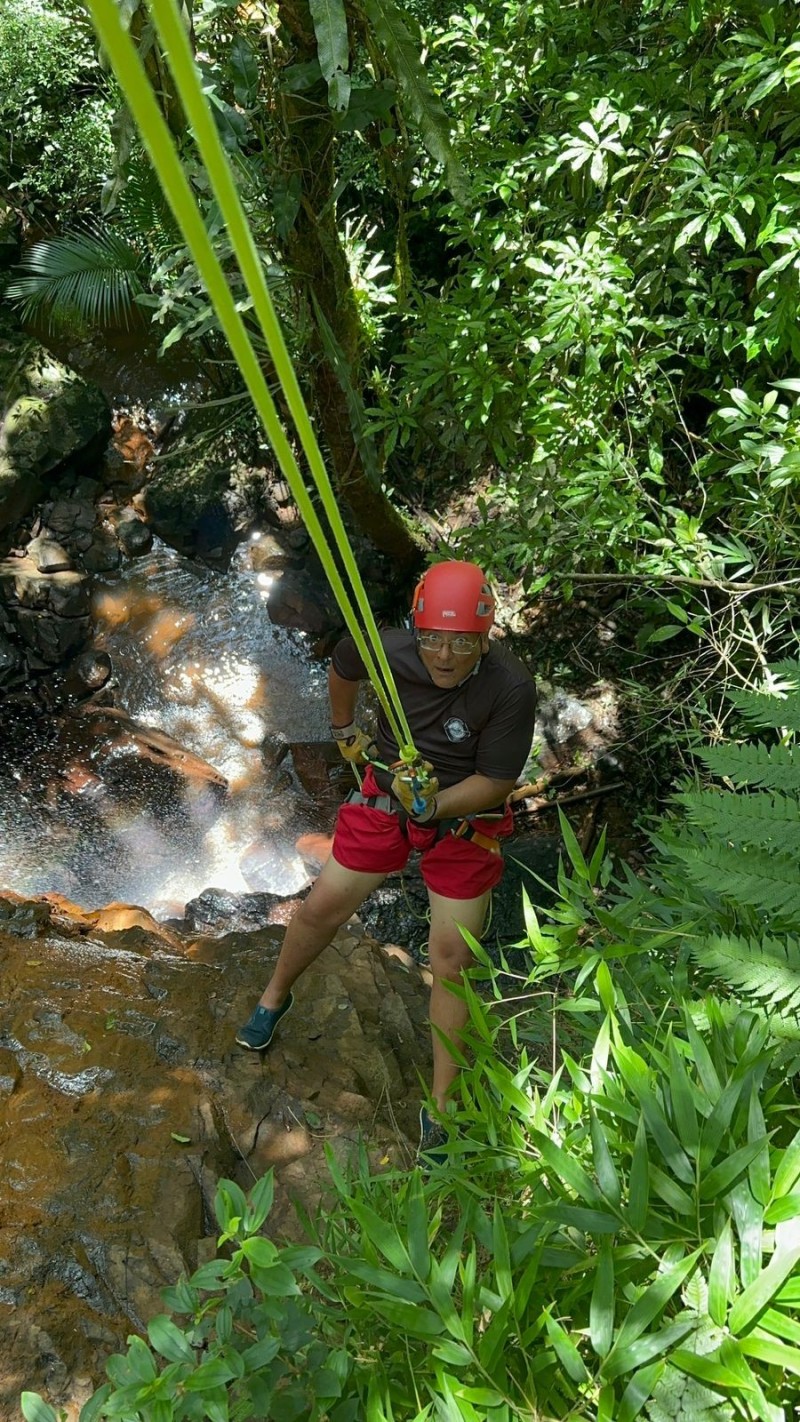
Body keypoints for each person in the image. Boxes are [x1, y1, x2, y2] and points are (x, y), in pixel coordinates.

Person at [235, 561, 537, 1158]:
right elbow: (345, 664)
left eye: (461, 642)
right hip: (389, 796)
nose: (444, 655)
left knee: (452, 958)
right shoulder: (389, 649)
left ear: (484, 639)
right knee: (322, 906)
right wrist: (343, 728)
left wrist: (433, 806)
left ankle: (443, 1103)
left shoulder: (509, 686)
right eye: (433, 638)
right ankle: (274, 998)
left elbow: (497, 782)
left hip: (464, 818)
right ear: (416, 629)